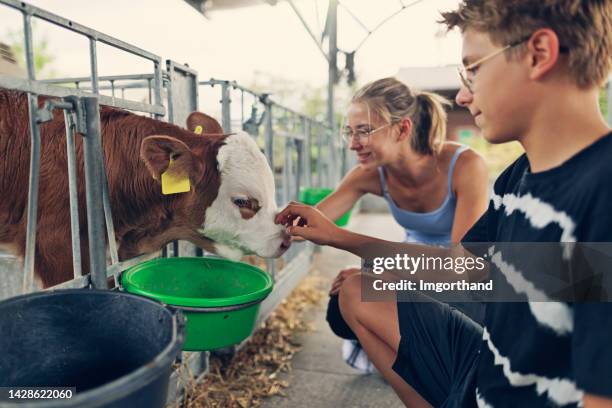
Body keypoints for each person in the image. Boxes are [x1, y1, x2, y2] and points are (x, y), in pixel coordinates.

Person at [277, 1, 612, 407]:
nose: (464, 93)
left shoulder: (601, 191)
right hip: (483, 368)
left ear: (538, 54)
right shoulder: (516, 178)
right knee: (356, 292)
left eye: (473, 68)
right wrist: (337, 237)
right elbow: (461, 271)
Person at [312, 77, 489, 372]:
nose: (353, 144)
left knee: (375, 291)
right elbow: (312, 221)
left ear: (403, 129)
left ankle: (436, 364)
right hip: (407, 262)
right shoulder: (369, 173)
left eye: (364, 131)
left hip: (461, 276)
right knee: (340, 305)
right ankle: (421, 365)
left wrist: (382, 273)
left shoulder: (465, 165)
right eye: (350, 132)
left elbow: (461, 269)